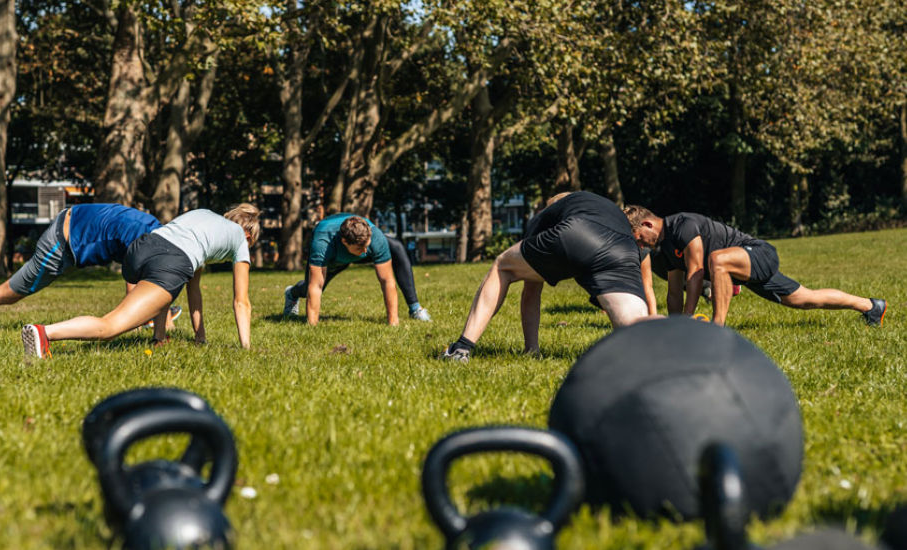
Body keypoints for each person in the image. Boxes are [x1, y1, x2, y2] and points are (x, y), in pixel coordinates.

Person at [20, 204, 260, 358]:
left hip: (142, 249)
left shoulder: (205, 217)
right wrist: (246, 349)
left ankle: (158, 337)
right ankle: (45, 333)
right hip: (172, 261)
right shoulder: (239, 238)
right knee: (111, 325)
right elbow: (242, 303)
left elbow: (193, 292)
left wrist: (200, 338)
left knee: (163, 287)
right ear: (248, 234)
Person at [441, 191, 653, 363]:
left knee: (502, 267)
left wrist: (531, 348)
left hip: (579, 233)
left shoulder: (547, 215)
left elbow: (531, 291)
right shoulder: (602, 205)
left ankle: (461, 349)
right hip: (625, 247)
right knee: (633, 322)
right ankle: (671, 346)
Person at [0, 203, 180, 333]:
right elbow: (136, 282)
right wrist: (157, 319)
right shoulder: (143, 240)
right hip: (61, 242)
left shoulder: (153, 229)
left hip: (74, 222)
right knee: (9, 293)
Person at [623, 205, 887, 326]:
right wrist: (676, 327)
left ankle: (718, 330)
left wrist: (690, 318)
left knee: (717, 260)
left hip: (758, 254)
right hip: (737, 270)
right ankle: (871, 306)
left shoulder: (682, 225)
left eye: (639, 239)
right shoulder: (665, 248)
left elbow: (696, 272)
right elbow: (673, 291)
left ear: (646, 225)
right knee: (804, 298)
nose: (642, 246)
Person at [282, 213, 431, 325]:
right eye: (361, 247)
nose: (366, 251)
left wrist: (393, 323)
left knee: (396, 247)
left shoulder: (375, 238)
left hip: (355, 249)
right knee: (308, 289)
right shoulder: (322, 242)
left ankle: (415, 308)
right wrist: (312, 326)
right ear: (344, 242)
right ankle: (291, 293)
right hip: (334, 258)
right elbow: (315, 286)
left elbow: (387, 281)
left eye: (367, 245)